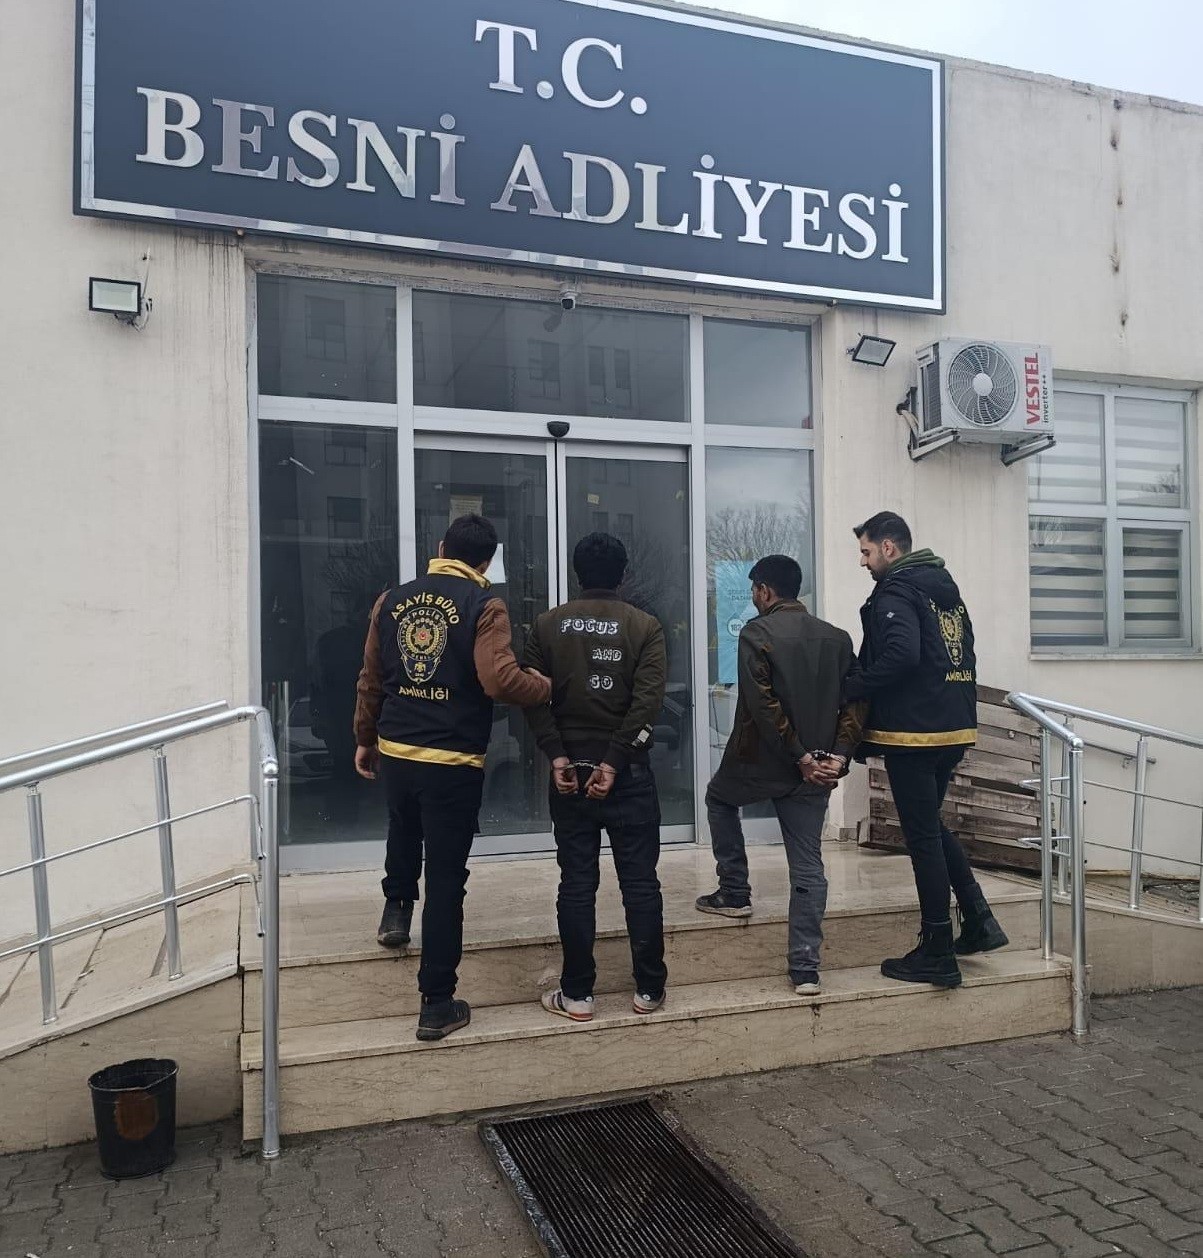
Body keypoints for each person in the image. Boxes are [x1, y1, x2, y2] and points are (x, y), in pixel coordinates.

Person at [352, 514, 550, 1041]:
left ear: (441, 548)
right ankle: (437, 1002)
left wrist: (365, 737)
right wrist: (543, 687)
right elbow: (499, 679)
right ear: (486, 561)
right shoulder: (486, 604)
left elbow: (371, 677)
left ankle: (396, 911)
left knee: (402, 826)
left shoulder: (391, 600)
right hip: (452, 760)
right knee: (444, 879)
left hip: (397, 749)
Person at [846, 511, 1008, 989]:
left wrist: (853, 686)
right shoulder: (942, 588)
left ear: (889, 548)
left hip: (914, 734)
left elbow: (902, 654)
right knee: (930, 827)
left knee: (921, 838)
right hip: (952, 726)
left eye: (866, 551)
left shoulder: (896, 590)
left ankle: (937, 949)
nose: (863, 561)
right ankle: (978, 919)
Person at [696, 555, 864, 994]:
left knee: (718, 799)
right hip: (817, 771)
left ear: (765, 591)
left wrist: (798, 754)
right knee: (808, 864)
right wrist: (837, 756)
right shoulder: (838, 638)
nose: (754, 597)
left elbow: (762, 704)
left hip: (760, 762)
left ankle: (734, 891)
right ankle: (805, 967)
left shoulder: (757, 633)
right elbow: (856, 702)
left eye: (755, 590)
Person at [523, 533, 668, 1022]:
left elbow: (533, 697)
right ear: (623, 575)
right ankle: (649, 989)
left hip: (569, 776)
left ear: (577, 574)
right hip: (628, 775)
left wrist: (556, 755)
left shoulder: (547, 625)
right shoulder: (645, 626)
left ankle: (578, 995)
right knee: (640, 883)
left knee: (577, 884)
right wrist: (614, 761)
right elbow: (648, 702)